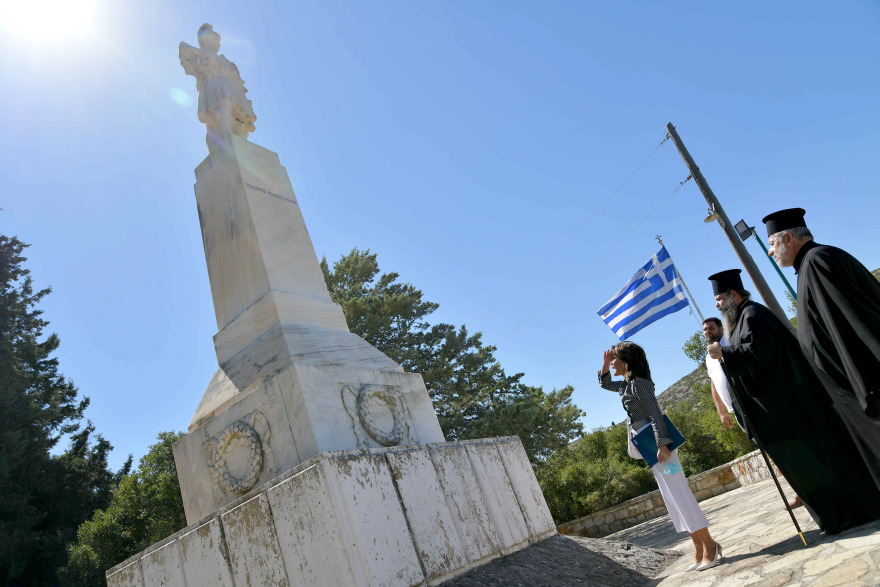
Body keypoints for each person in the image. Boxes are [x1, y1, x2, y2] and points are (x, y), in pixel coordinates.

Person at [706, 269, 880, 534]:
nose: (717, 305)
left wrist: (725, 353)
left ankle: (848, 515)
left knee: (820, 465)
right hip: (784, 412)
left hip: (794, 409)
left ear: (732, 294)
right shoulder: (742, 319)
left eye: (719, 299)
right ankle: (839, 517)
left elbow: (760, 352)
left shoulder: (753, 315)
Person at [763, 207, 880, 491]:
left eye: (771, 245)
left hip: (865, 390)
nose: (770, 253)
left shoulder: (816, 262)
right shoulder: (814, 261)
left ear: (788, 238)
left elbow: (852, 325)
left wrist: (869, 390)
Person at [600, 342, 722, 571]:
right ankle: (698, 548)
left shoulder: (640, 384)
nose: (613, 362)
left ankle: (711, 545)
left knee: (681, 495)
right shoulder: (626, 386)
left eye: (615, 359)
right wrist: (605, 364)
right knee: (673, 499)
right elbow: (605, 383)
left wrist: (663, 445)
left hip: (661, 449)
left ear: (627, 361)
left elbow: (656, 415)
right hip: (651, 450)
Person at [179, 24, 258, 150]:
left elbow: (237, 78)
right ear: (204, 42)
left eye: (218, 40)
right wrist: (200, 51)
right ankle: (225, 135)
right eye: (213, 39)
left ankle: (238, 137)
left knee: (239, 120)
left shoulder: (227, 61)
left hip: (233, 88)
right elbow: (184, 50)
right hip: (215, 86)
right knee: (220, 113)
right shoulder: (202, 56)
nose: (217, 43)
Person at [701, 317, 737, 429]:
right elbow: (715, 384)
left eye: (711, 328)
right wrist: (721, 412)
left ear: (721, 329)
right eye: (705, 329)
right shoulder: (708, 357)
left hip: (749, 401)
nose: (708, 331)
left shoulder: (731, 342)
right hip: (735, 409)